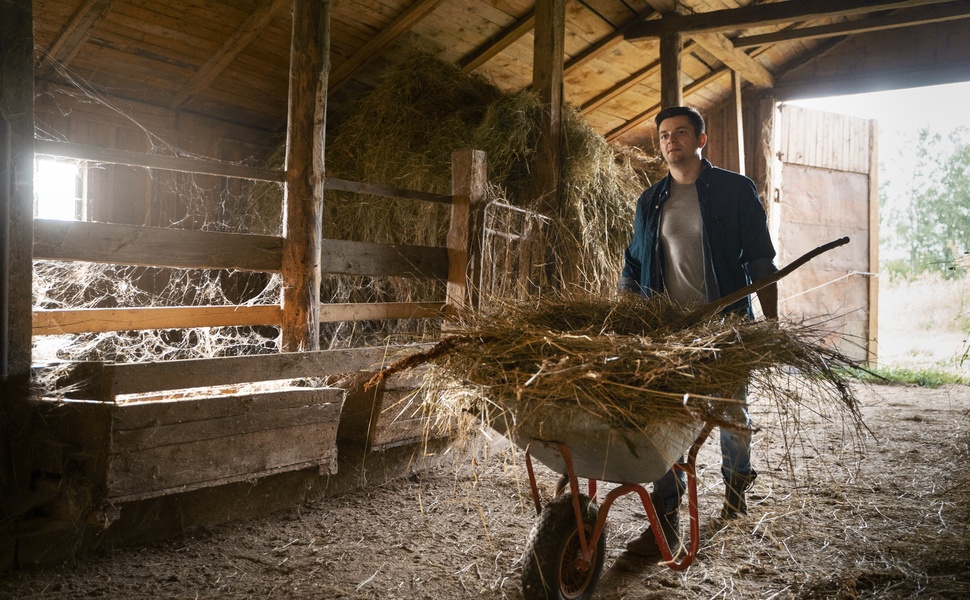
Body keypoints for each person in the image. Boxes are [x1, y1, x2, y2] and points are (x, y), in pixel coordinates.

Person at [618, 106, 779, 559]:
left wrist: (770, 325)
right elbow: (632, 266)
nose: (672, 141)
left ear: (701, 139)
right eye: (665, 135)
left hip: (725, 328)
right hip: (668, 333)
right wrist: (628, 317)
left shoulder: (734, 190)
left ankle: (734, 495)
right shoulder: (650, 201)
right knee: (664, 417)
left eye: (682, 133)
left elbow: (762, 261)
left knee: (732, 414)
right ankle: (666, 509)